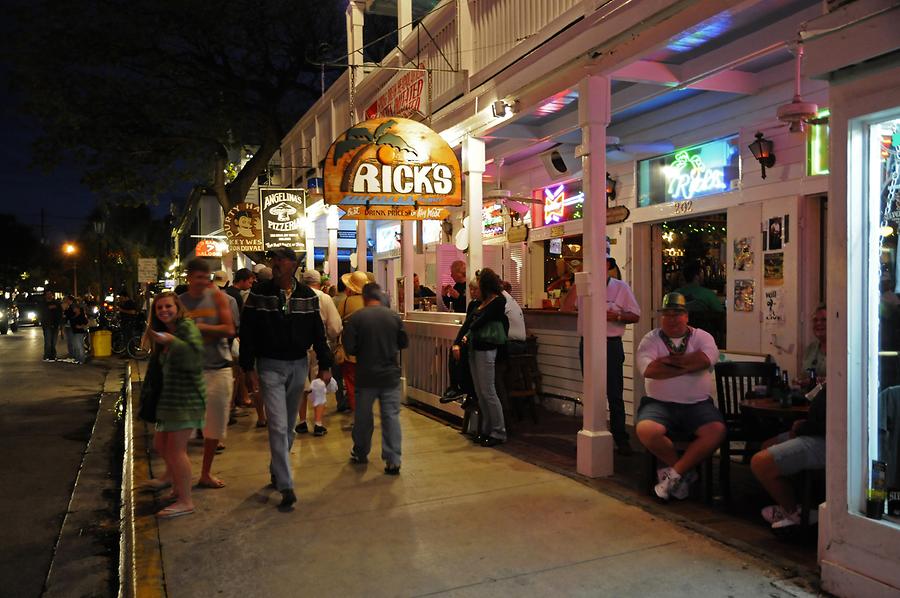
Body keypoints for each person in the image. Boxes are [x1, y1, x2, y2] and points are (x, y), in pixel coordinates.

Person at [239, 247, 333, 510]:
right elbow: (247, 332)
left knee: (289, 424)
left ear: (293, 264)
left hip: (298, 364)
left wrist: (326, 364)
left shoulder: (307, 295)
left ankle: (276, 468)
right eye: (274, 260)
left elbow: (318, 332)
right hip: (269, 365)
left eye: (282, 259)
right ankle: (286, 483)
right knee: (278, 424)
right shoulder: (259, 293)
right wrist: (248, 368)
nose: (277, 264)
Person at [635, 292, 726, 500]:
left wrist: (667, 362)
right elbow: (649, 370)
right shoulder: (650, 339)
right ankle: (686, 472)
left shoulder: (702, 337)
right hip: (659, 404)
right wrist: (688, 365)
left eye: (677, 313)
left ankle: (675, 474)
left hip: (697, 404)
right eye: (667, 314)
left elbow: (704, 360)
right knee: (646, 430)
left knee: (717, 431)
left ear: (686, 316)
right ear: (661, 317)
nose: (672, 319)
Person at [141, 291, 206, 519]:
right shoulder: (166, 332)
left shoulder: (185, 327)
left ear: (177, 307)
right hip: (170, 399)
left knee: (176, 450)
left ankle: (186, 501)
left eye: (168, 306)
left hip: (185, 398)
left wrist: (173, 343)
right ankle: (178, 488)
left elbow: (196, 357)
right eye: (159, 308)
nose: (164, 311)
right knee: (162, 444)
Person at [179, 259, 236, 490]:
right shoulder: (180, 302)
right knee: (181, 427)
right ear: (189, 278)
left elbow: (230, 329)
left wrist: (201, 329)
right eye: (198, 277)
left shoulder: (218, 298)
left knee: (214, 426)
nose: (203, 281)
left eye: (206, 277)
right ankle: (176, 473)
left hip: (217, 368)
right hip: (190, 370)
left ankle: (205, 473)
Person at [343, 283, 409, 473]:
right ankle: (393, 459)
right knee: (391, 417)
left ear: (364, 297)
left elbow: (350, 348)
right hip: (390, 376)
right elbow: (403, 342)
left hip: (365, 376)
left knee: (363, 417)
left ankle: (361, 451)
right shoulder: (393, 316)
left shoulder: (356, 319)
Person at [750, 386, 826, 530]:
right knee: (767, 445)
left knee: (760, 463)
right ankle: (797, 500)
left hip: (826, 439)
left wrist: (801, 428)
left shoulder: (845, 378)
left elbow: (832, 422)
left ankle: (795, 513)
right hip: (813, 430)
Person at [453, 268, 509, 447]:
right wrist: (458, 341)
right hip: (475, 348)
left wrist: (464, 337)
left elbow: (478, 323)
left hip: (487, 349)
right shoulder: (481, 302)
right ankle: (486, 429)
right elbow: (470, 323)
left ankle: (498, 431)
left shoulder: (498, 301)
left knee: (488, 391)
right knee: (480, 392)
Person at [602, 251, 642, 455]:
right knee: (592, 393)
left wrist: (616, 314)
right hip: (588, 344)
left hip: (610, 344)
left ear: (608, 263)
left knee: (614, 393)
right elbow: (567, 307)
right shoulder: (585, 288)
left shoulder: (620, 287)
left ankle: (621, 438)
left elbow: (635, 316)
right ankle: (596, 434)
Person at [296, 269, 342, 436]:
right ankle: (318, 422)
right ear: (319, 282)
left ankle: (301, 421)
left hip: (298, 347)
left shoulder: (294, 295)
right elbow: (335, 327)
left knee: (301, 383)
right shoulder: (324, 298)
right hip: (319, 346)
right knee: (319, 383)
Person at [337, 271, 368, 414]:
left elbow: (336, 326)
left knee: (351, 385)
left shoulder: (345, 303)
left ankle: (358, 414)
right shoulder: (372, 303)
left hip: (350, 352)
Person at [799, 304, 827, 386]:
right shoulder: (810, 349)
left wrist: (816, 381)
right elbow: (803, 376)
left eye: (824, 320)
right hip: (808, 397)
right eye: (815, 320)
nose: (818, 323)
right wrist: (799, 381)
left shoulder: (841, 349)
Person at [39, 291, 63, 362]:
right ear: (45, 295)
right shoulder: (43, 304)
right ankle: (47, 355)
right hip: (47, 325)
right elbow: (41, 313)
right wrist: (47, 309)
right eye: (47, 294)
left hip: (55, 325)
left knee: (53, 342)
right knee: (48, 341)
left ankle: (53, 355)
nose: (49, 295)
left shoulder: (57, 304)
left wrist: (60, 325)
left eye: (50, 294)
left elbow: (60, 314)